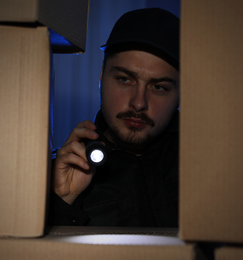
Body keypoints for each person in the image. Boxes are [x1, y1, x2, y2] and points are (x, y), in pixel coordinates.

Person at [48, 8, 180, 227]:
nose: (138, 103)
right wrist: (61, 201)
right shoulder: (63, 174)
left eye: (158, 87)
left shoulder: (207, 165)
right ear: (101, 75)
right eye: (125, 79)